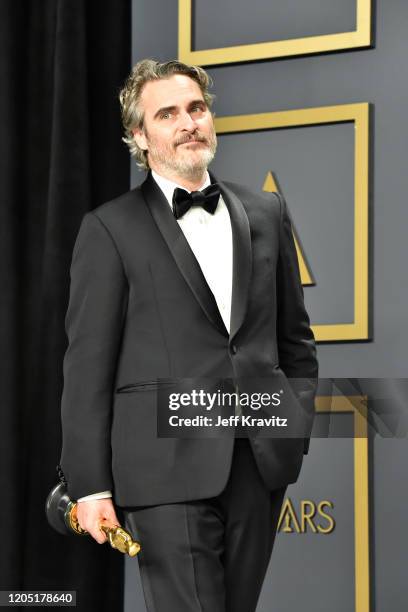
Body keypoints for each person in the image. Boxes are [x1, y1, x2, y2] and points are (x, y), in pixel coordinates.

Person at [59, 59, 318, 612]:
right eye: (168, 113)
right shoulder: (108, 228)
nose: (188, 122)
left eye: (196, 108)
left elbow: (296, 342)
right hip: (162, 468)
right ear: (139, 134)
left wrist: (291, 434)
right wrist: (89, 485)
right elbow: (87, 368)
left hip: (258, 460)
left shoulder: (266, 211)